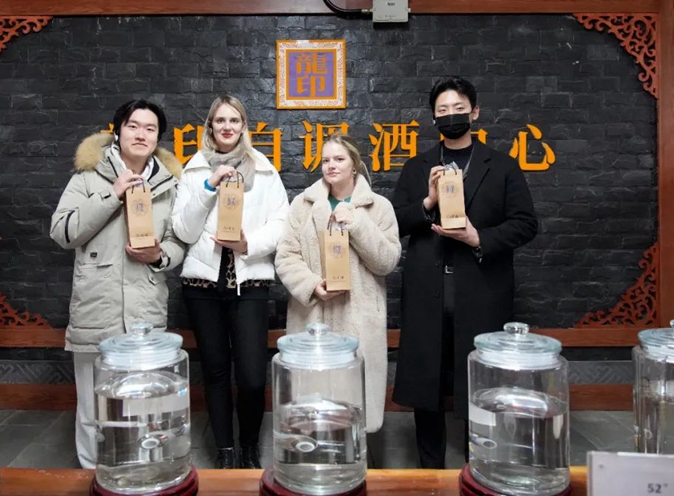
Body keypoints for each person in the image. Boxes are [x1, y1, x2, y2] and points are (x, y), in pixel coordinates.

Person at [391, 76, 538, 468]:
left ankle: (483, 465)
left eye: (458, 109)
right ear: (433, 118)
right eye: (442, 110)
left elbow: (526, 224)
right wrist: (427, 202)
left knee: (481, 382)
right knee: (427, 383)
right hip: (428, 291)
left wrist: (478, 238)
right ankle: (430, 469)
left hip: (481, 290)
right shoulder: (417, 166)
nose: (451, 116)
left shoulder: (502, 166)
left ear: (474, 113)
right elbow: (395, 222)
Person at [50, 99, 186, 469]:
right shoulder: (88, 177)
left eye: (150, 129)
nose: (141, 134)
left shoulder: (170, 184)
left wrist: (159, 255)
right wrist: (112, 194)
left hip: (145, 308)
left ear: (157, 138)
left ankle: (142, 475)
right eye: (133, 126)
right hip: (97, 306)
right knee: (93, 407)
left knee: (144, 405)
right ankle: (92, 474)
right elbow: (62, 232)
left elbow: (178, 242)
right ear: (117, 131)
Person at [171, 95, 289, 469]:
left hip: (250, 284)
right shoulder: (193, 171)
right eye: (220, 120)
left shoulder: (265, 171)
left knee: (252, 376)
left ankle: (249, 445)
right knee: (216, 372)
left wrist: (247, 244)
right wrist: (208, 187)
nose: (227, 127)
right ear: (210, 127)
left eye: (234, 120)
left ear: (243, 127)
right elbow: (183, 230)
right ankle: (224, 449)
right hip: (202, 287)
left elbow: (281, 224)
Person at [275, 133, 400, 435]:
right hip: (313, 318)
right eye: (326, 160)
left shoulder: (378, 207)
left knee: (353, 414)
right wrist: (311, 285)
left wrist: (356, 223)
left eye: (339, 159)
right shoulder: (303, 205)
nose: (331, 165)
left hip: (359, 318)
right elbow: (286, 255)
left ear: (354, 165)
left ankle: (355, 457)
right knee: (312, 412)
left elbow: (386, 261)